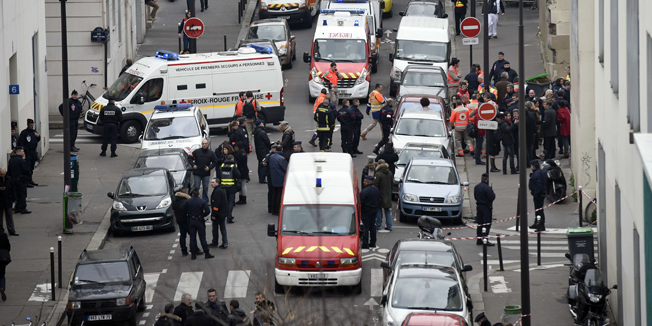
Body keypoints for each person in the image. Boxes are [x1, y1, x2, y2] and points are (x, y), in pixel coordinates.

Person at [179, 190, 214, 260]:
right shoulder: (202, 201)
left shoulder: (188, 201)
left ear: (192, 194)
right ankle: (206, 253)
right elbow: (208, 211)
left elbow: (181, 208)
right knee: (202, 238)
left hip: (191, 220)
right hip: (199, 221)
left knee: (192, 238)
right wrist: (202, 215)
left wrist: (188, 213)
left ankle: (193, 254)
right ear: (199, 194)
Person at [474, 173, 496, 245]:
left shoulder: (476, 187)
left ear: (481, 179)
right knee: (486, 223)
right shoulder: (487, 188)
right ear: (487, 180)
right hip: (486, 207)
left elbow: (475, 196)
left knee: (480, 223)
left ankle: (479, 238)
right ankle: (485, 239)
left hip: (479, 206)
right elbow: (492, 197)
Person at [218, 155, 240, 223]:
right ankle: (229, 216)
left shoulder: (221, 166)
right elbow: (238, 175)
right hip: (231, 187)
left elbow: (218, 176)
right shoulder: (233, 167)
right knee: (231, 202)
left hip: (223, 187)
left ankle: (225, 215)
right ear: (232, 159)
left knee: (226, 202)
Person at [7, 148, 30, 214]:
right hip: (21, 180)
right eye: (22, 151)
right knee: (22, 194)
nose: (23, 152)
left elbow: (9, 171)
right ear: (19, 152)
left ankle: (17, 207)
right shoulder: (21, 161)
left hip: (13, 180)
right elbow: (26, 170)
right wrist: (27, 178)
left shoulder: (11, 160)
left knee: (16, 194)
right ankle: (22, 208)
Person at [18, 119, 40, 186]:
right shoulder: (24, 133)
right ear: (27, 125)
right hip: (27, 152)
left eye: (32, 125)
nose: (32, 126)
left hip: (33, 151)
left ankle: (30, 179)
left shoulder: (34, 132)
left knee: (32, 166)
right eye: (30, 125)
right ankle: (26, 181)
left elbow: (38, 139)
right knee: (27, 166)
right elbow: (21, 142)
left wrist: (38, 136)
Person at [360, 176, 380, 249]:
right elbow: (379, 199)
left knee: (365, 227)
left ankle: (365, 243)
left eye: (365, 181)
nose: (363, 182)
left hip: (366, 210)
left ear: (368, 182)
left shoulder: (365, 191)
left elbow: (361, 202)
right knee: (372, 226)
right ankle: (373, 242)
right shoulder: (376, 190)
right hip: (374, 209)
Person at [208, 178, 229, 249]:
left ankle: (215, 241)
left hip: (218, 213)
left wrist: (214, 214)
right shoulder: (222, 189)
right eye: (211, 182)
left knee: (215, 228)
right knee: (223, 227)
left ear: (217, 183)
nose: (212, 184)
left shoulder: (217, 191)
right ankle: (225, 242)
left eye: (213, 182)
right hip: (223, 212)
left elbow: (216, 204)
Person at [373, 160, 393, 231]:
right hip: (387, 194)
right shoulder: (389, 173)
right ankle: (389, 226)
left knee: (379, 210)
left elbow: (375, 185)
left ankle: (378, 225)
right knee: (387, 210)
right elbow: (391, 183)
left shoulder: (378, 174)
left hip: (380, 194)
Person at [269, 145, 287, 216]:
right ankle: (277, 210)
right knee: (279, 195)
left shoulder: (272, 157)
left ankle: (273, 209)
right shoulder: (281, 158)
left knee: (274, 194)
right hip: (280, 178)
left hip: (274, 178)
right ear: (282, 150)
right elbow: (286, 168)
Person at [529, 160, 547, 230]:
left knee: (539, 210)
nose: (531, 167)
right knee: (538, 210)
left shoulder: (537, 174)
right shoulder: (541, 172)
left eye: (531, 166)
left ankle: (540, 225)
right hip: (540, 193)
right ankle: (537, 222)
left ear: (534, 166)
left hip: (538, 194)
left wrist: (536, 193)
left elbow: (538, 184)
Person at [174, 187, 191, 256]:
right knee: (192, 235)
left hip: (179, 220)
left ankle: (184, 251)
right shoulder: (186, 201)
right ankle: (194, 249)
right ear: (186, 193)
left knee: (182, 236)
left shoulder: (175, 201)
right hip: (187, 220)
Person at [0, 169, 16, 236]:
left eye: (4, 174)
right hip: (1, 200)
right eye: (1, 174)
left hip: (8, 200)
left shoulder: (9, 179)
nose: (3, 176)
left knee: (9, 216)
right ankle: (1, 231)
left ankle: (11, 230)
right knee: (0, 217)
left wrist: (14, 198)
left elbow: (13, 189)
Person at [262, 146, 277, 213]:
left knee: (273, 192)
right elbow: (262, 162)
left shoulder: (273, 155)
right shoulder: (269, 155)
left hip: (272, 175)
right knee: (271, 191)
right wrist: (263, 163)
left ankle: (273, 207)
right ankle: (271, 207)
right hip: (270, 175)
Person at [0, 230, 9, 301]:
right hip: (2, 257)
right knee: (2, 275)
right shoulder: (3, 235)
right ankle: (2, 287)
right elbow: (8, 246)